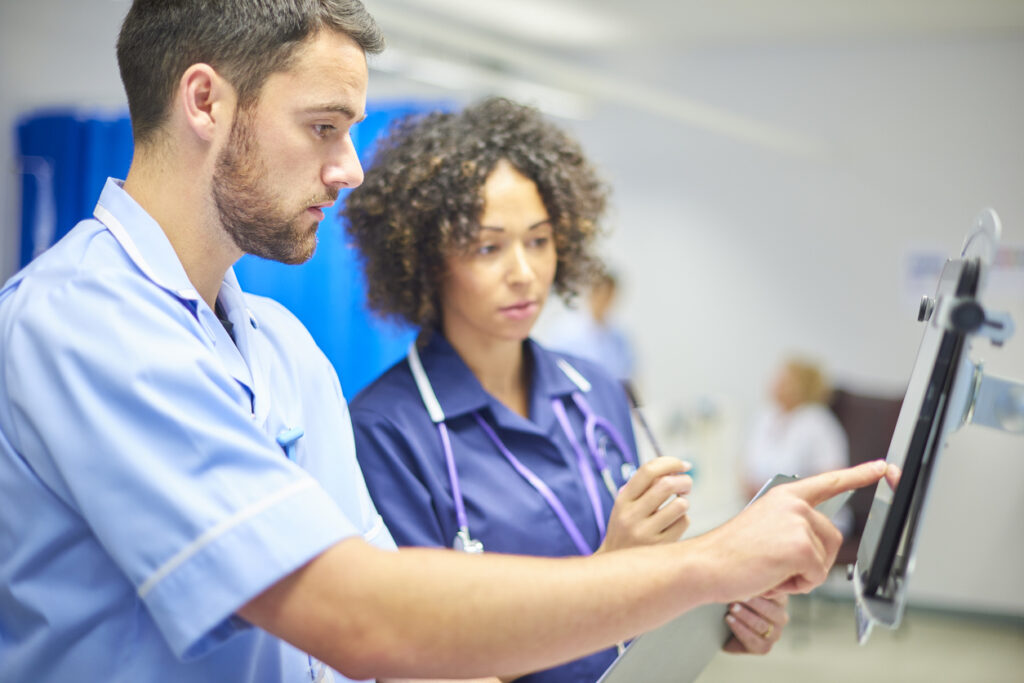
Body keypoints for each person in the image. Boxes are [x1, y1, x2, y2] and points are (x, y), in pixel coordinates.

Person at [0, 2, 888, 681]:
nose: (348, 167)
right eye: (323, 126)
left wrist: (679, 603)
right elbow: (360, 615)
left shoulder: (278, 345)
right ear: (204, 100)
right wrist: (700, 566)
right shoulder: (83, 325)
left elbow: (402, 650)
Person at [344, 97, 777, 681]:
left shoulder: (594, 390)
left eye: (540, 240)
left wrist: (717, 607)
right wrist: (609, 573)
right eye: (488, 246)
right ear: (426, 260)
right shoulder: (387, 429)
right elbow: (421, 659)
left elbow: (645, 587)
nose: (524, 271)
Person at [742, 358, 851, 502]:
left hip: (807, 510)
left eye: (785, 381)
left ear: (804, 387)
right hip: (765, 506)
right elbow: (746, 468)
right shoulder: (766, 416)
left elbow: (832, 478)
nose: (776, 384)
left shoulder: (818, 422)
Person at [545, 271, 636, 382]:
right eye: (601, 295)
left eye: (609, 295)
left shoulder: (619, 336)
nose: (605, 301)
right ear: (592, 294)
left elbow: (626, 373)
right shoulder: (567, 331)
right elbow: (557, 369)